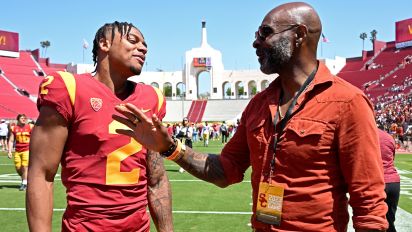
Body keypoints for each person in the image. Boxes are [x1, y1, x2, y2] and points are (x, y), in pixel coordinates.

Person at [114, 2, 388, 231]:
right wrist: (170, 148)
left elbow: (370, 206)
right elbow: (225, 170)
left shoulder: (347, 102)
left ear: (299, 34)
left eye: (265, 33)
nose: (255, 42)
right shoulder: (259, 104)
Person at [27, 21, 173, 232]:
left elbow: (157, 180)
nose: (143, 48)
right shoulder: (69, 89)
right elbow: (41, 174)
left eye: (145, 44)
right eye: (133, 40)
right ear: (104, 44)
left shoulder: (151, 98)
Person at [379, 128, 401, 232]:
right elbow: (392, 159)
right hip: (393, 182)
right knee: (389, 223)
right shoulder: (388, 137)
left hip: (375, 182)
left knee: (371, 223)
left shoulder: (364, 135)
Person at [8, 114, 33, 191]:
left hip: (27, 149)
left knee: (25, 166)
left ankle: (24, 183)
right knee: (18, 168)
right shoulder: (14, 128)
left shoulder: (30, 127)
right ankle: (25, 179)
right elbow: (11, 140)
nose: (23, 119)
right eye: (22, 118)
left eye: (24, 118)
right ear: (18, 119)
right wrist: (9, 151)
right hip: (18, 150)